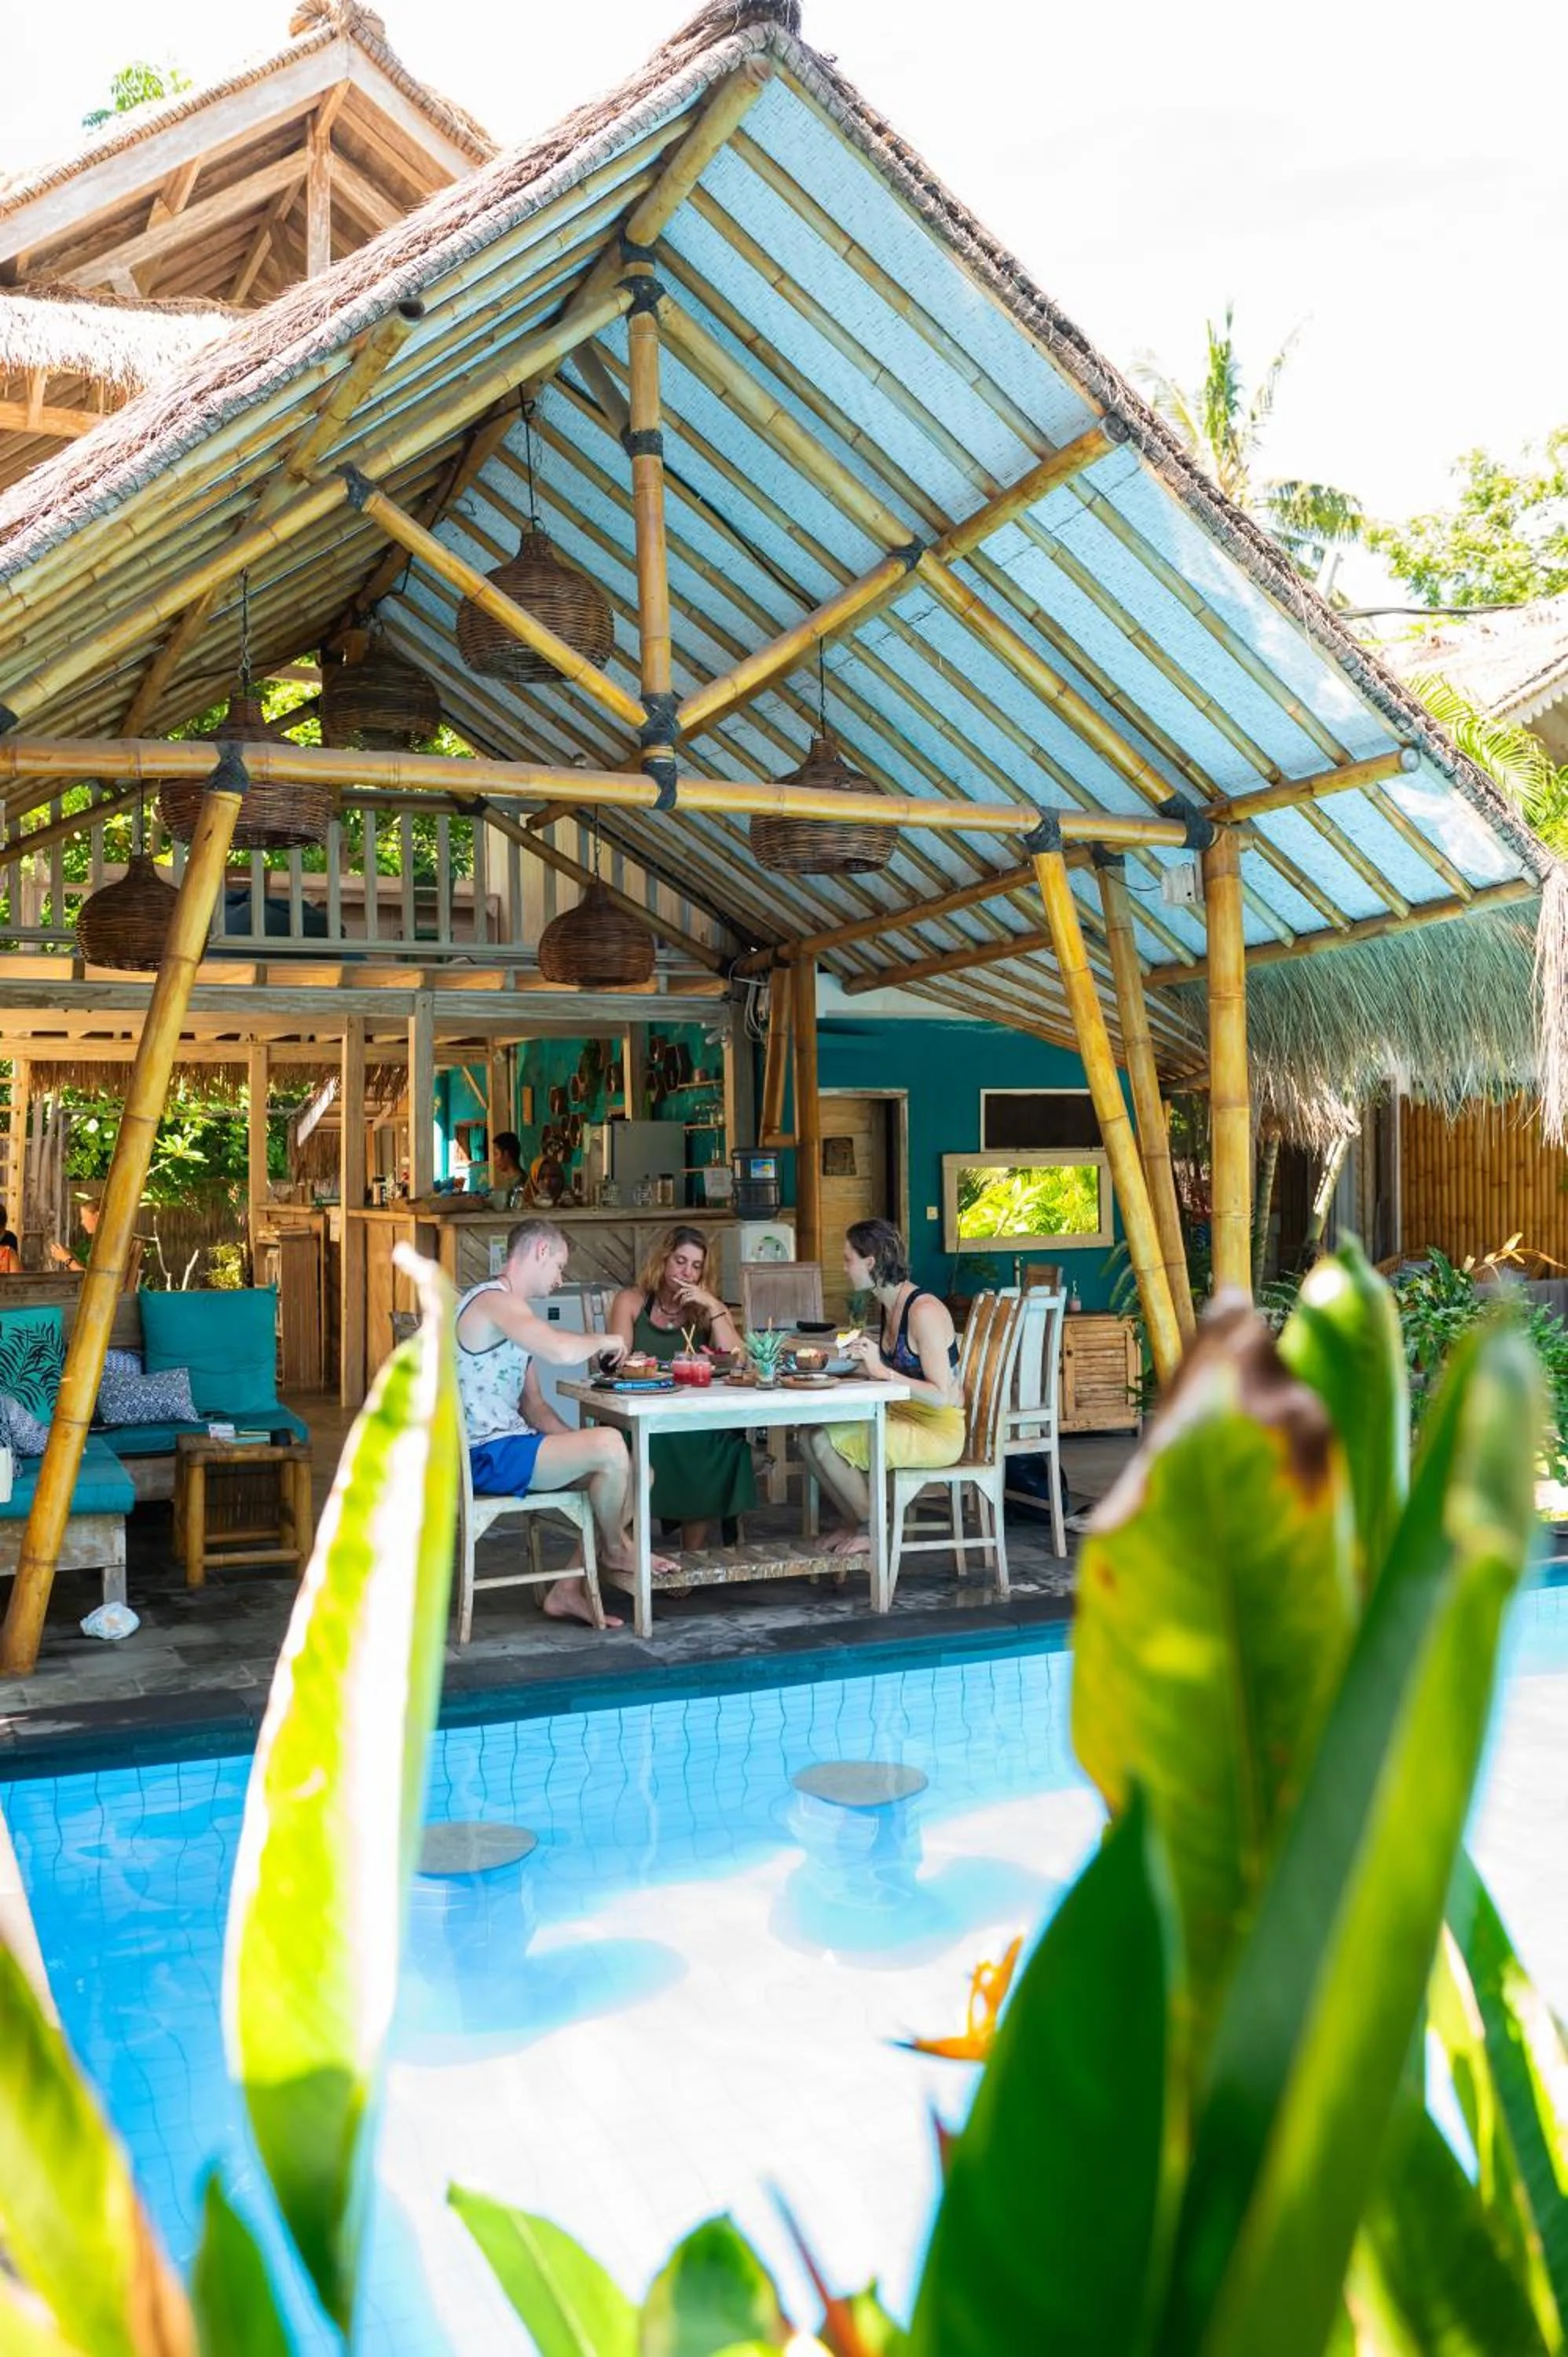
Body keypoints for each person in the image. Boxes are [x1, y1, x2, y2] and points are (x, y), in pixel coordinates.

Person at [456, 1216, 676, 1626]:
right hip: (487, 1454)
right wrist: (610, 1341)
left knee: (635, 1471)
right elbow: (558, 1350)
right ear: (540, 1252)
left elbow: (534, 1405)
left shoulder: (513, 1313)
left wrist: (590, 1450)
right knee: (612, 1448)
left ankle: (567, 1589)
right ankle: (617, 1548)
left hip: (514, 1447)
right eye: (559, 1266)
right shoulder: (494, 1301)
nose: (560, 1278)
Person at [800, 1219, 965, 1556]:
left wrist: (882, 1372)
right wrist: (863, 1364)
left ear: (871, 1263)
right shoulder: (891, 1306)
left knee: (821, 1441)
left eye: (848, 1260)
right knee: (805, 1435)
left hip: (937, 1430)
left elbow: (940, 1395)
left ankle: (873, 1528)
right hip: (902, 1418)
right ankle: (854, 1520)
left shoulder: (925, 1311)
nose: (845, 1268)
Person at [606, 1226, 754, 1549]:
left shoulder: (705, 1308)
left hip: (693, 1415)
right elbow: (618, 1362)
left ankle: (692, 1553)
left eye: (696, 1266)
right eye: (680, 1261)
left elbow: (739, 1359)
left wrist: (713, 1307)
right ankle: (625, 1548)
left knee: (716, 1446)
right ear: (663, 1260)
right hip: (642, 1414)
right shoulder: (631, 1301)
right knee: (640, 1446)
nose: (687, 1272)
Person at [488, 1131, 526, 1196]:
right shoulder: (507, 1180)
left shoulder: (520, 1185)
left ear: (506, 1154)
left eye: (496, 1154)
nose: (494, 1160)